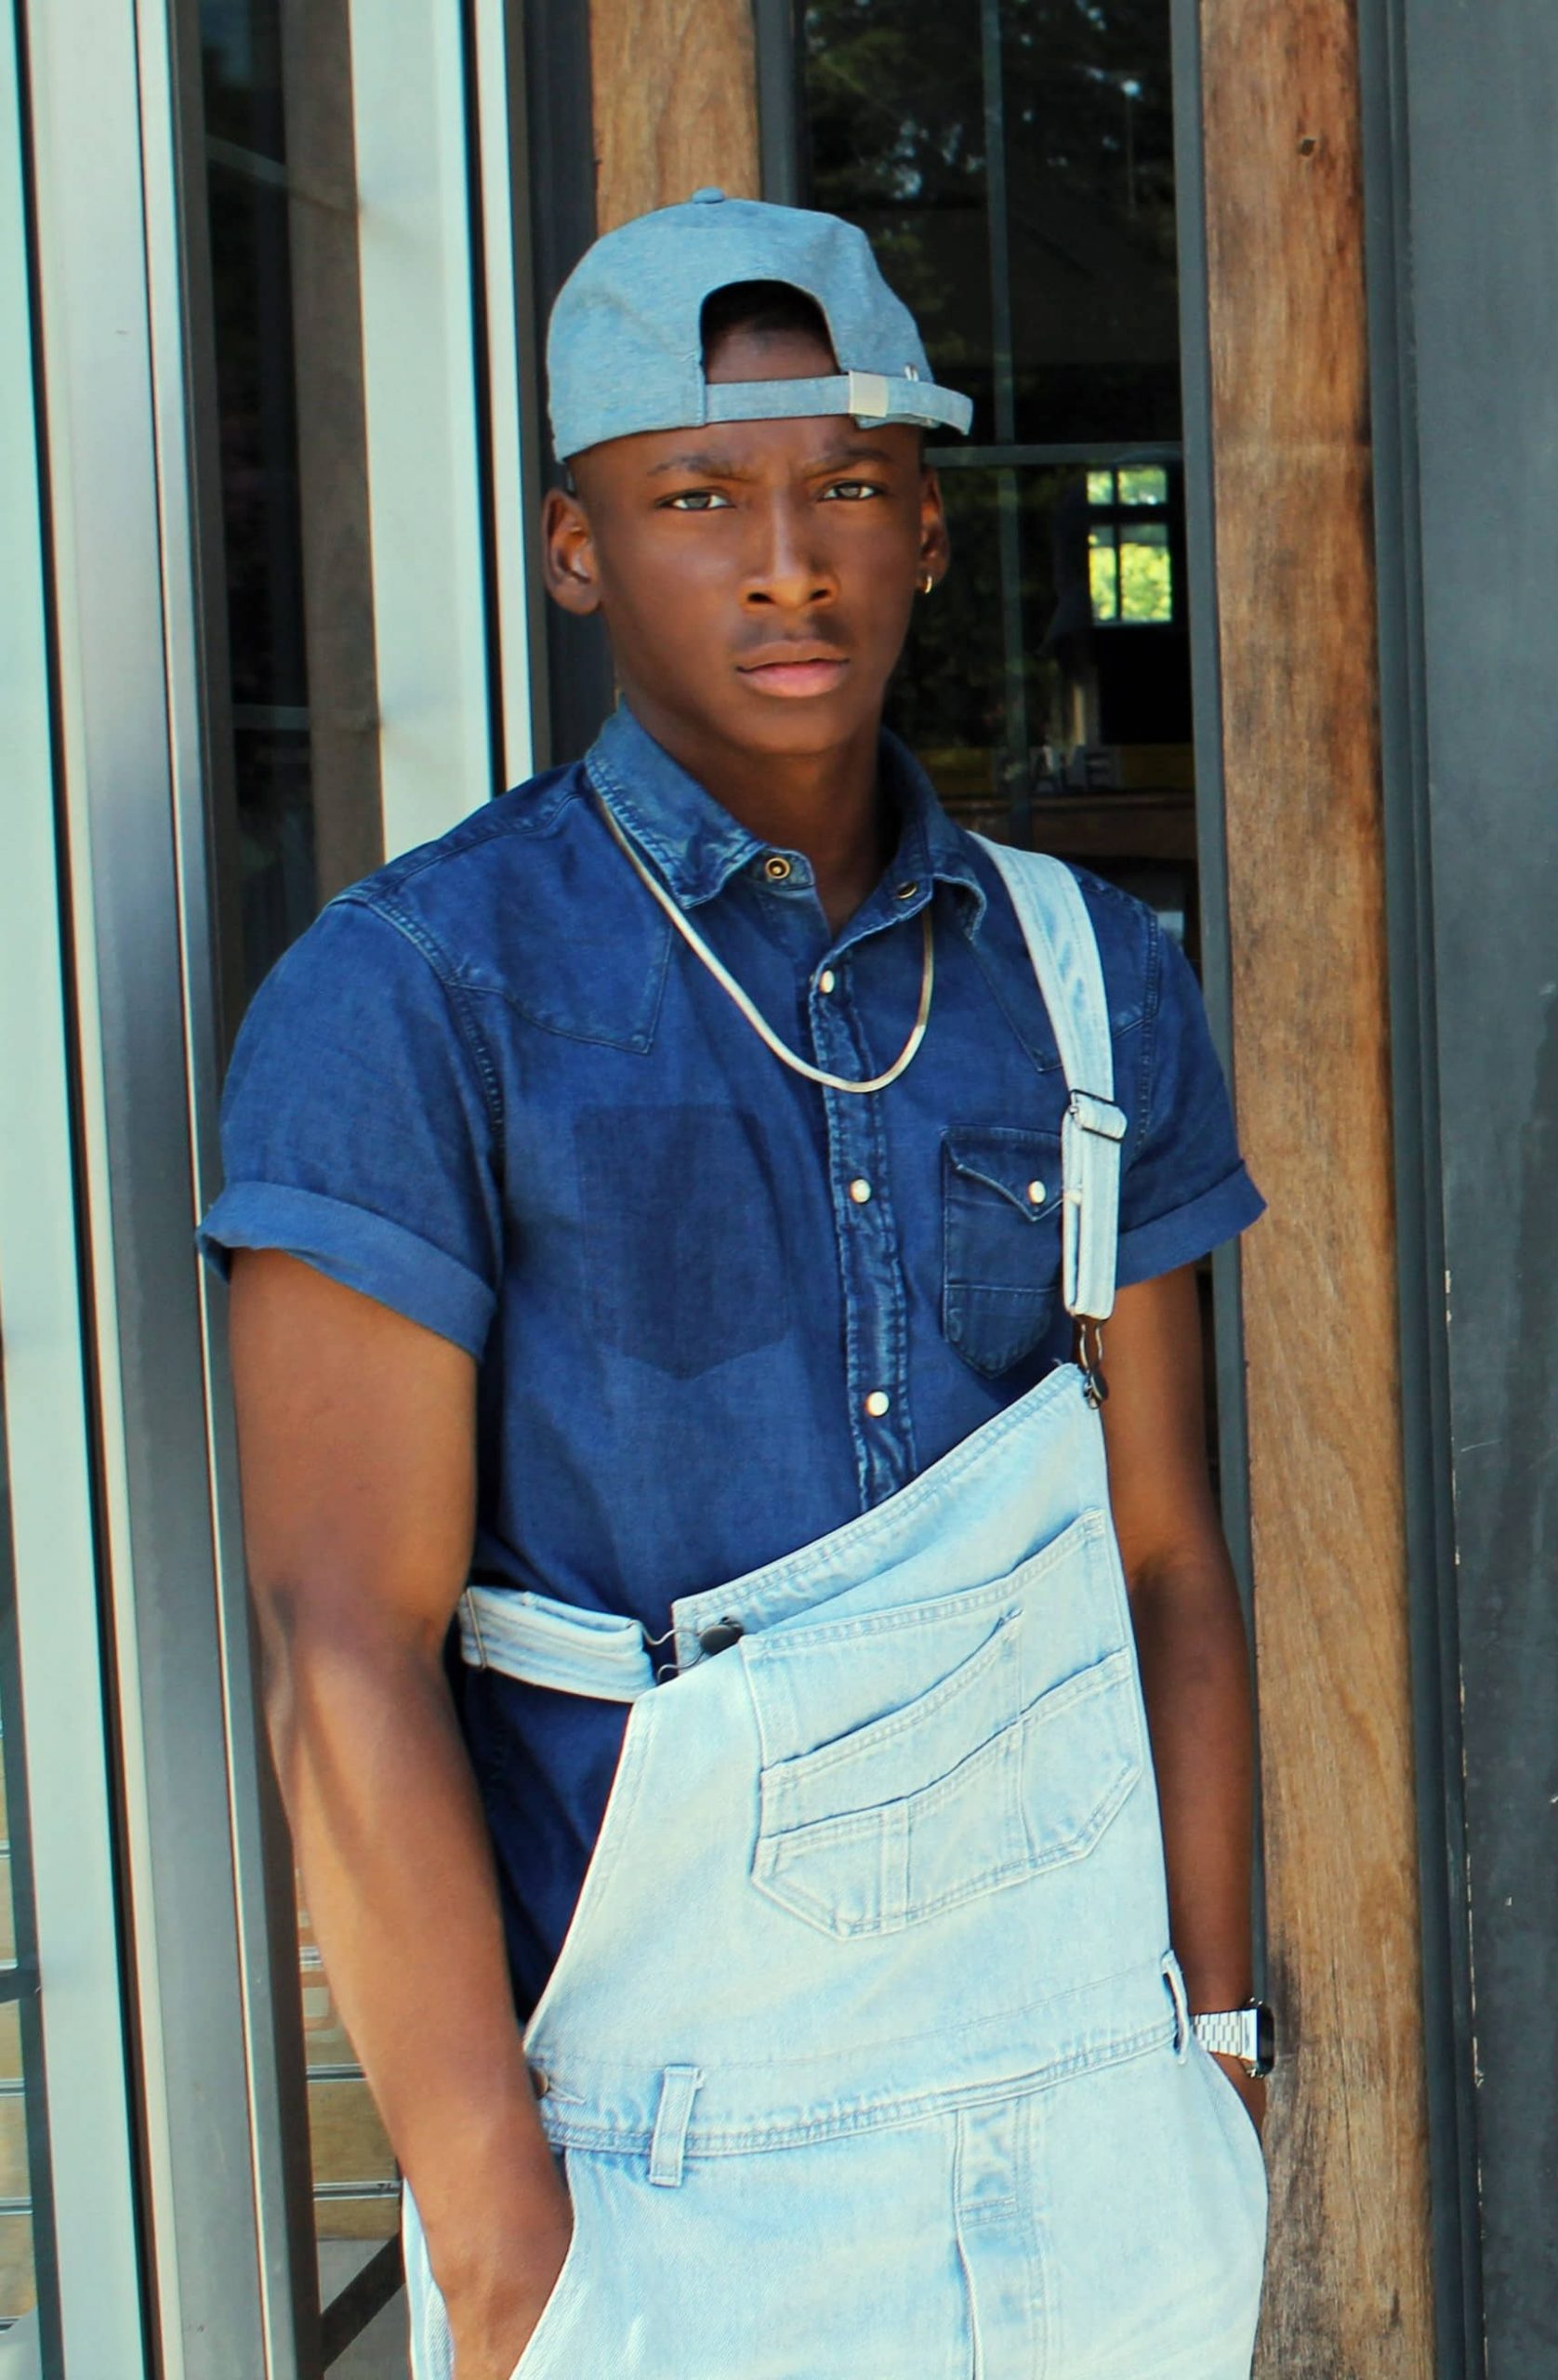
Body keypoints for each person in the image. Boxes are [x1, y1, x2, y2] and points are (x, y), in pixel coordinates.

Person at [200, 191, 1273, 2380]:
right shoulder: (417, 993)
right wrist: (502, 2240)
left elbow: (1163, 1556)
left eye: (846, 487)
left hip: (1096, 2142)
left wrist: (1216, 2046)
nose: (787, 557)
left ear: (926, 539)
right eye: (698, 495)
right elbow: (343, 1642)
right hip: (666, 2186)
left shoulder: (1087, 979)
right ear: (576, 547)